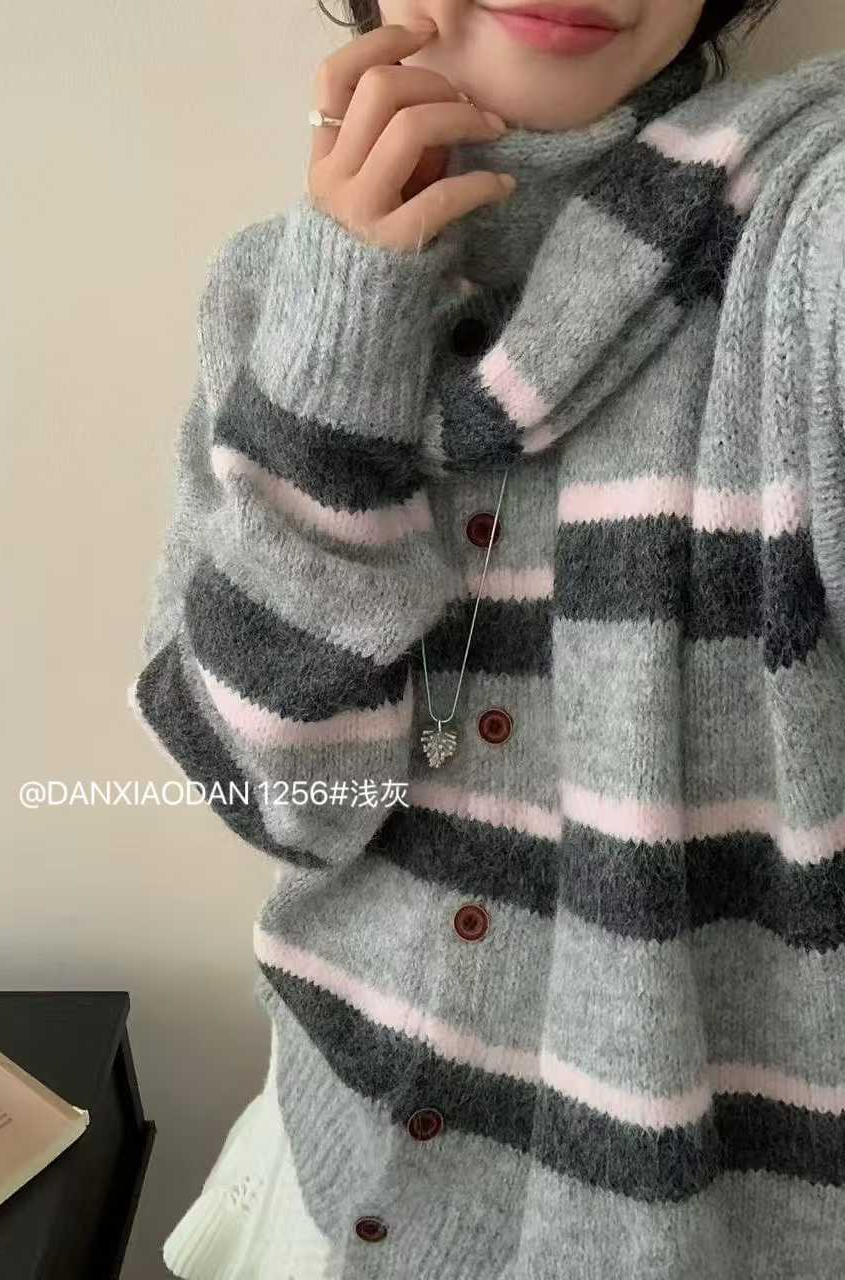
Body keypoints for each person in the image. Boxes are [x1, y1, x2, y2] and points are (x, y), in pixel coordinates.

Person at [129, 2, 845, 1276]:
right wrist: (344, 335)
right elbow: (276, 797)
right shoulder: (268, 289)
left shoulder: (804, 232)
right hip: (320, 1174)